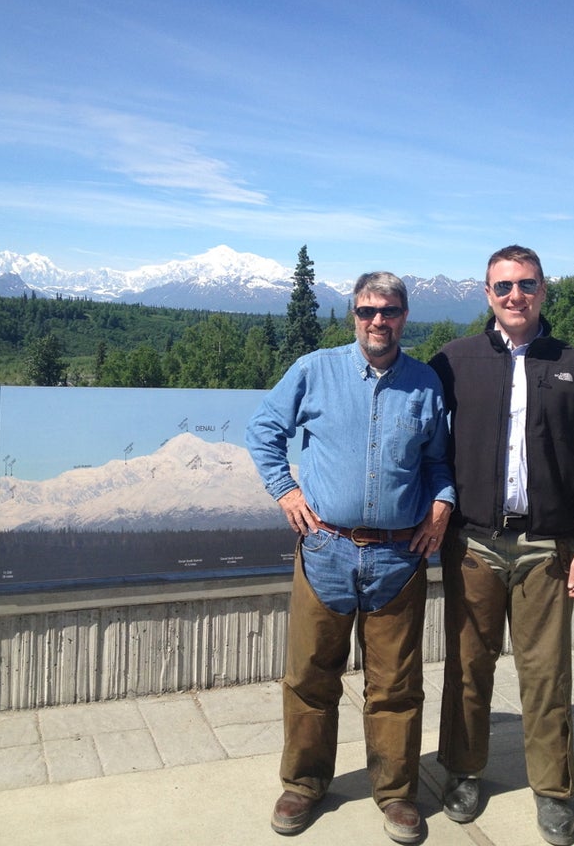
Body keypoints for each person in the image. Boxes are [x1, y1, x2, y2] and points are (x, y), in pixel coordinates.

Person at [246, 271, 455, 844]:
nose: (377, 321)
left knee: (396, 685)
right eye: (366, 311)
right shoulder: (314, 370)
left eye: (388, 311)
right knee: (311, 678)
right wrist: (285, 491)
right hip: (325, 551)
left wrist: (441, 504)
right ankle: (305, 783)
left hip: (397, 559)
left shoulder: (426, 384)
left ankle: (395, 793)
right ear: (353, 316)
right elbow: (263, 429)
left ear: (405, 316)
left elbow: (439, 461)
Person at [428, 245, 574, 846]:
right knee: (467, 667)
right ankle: (463, 771)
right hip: (474, 543)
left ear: (543, 290)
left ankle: (553, 792)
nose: (515, 295)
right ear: (486, 294)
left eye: (526, 284)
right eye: (503, 286)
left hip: (548, 546)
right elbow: (427, 444)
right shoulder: (452, 362)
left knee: (546, 674)